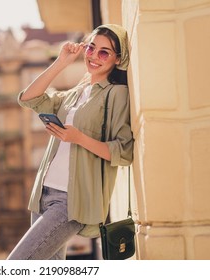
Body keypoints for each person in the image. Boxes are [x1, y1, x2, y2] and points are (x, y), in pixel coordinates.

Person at [7, 24, 133, 260]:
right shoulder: (77, 91)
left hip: (71, 201)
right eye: (91, 48)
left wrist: (78, 138)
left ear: (118, 58)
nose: (94, 56)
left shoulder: (116, 94)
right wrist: (62, 62)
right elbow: (28, 98)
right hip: (43, 194)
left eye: (104, 52)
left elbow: (124, 151)